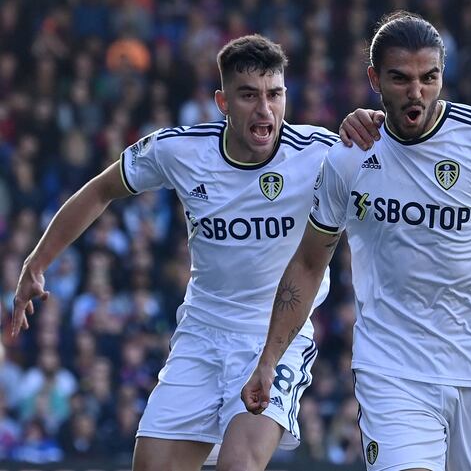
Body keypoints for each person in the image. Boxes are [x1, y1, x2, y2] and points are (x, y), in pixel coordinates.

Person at [242, 12, 471, 471]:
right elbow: (308, 262)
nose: (416, 92)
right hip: (392, 368)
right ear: (374, 79)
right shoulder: (349, 156)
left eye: (429, 77)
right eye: (400, 79)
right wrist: (269, 357)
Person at [11, 34, 336, 471]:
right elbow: (101, 190)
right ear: (222, 102)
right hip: (201, 334)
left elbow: (393, 164)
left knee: (238, 465)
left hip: (277, 338)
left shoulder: (321, 153)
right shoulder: (179, 150)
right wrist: (37, 262)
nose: (264, 110)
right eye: (248, 95)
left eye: (274, 94)